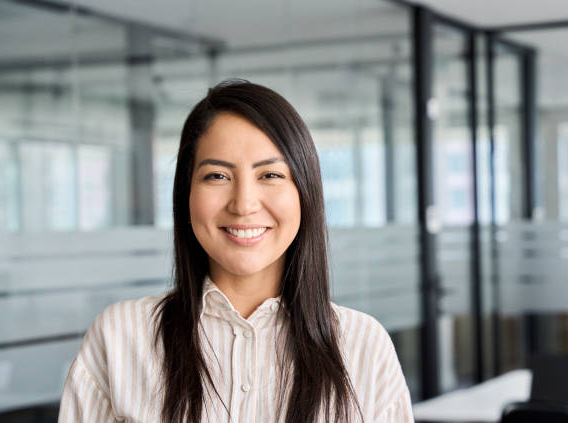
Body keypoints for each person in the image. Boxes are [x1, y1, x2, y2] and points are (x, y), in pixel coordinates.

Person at [58, 80, 414, 423]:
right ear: (186, 195)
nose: (243, 204)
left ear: (304, 191)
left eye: (270, 175)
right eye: (217, 176)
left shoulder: (363, 346)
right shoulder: (121, 337)